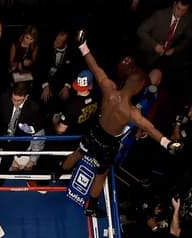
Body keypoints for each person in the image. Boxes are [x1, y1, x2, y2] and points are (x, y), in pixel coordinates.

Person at [54, 31, 180, 214]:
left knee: (78, 152)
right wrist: (167, 143)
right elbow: (150, 129)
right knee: (101, 175)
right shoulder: (132, 112)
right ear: (137, 89)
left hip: (95, 131)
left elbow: (94, 67)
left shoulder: (108, 88)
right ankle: (90, 208)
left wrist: (83, 45)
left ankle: (56, 174)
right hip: (109, 143)